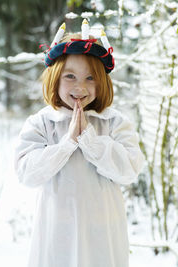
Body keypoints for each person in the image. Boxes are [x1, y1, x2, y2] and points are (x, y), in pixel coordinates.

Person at [14, 20, 144, 267]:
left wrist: (91, 141)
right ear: (55, 77)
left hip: (102, 231)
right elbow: (26, 173)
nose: (80, 87)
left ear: (102, 82)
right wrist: (67, 144)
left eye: (90, 78)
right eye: (70, 76)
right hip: (56, 232)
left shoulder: (113, 122)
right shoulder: (43, 123)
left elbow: (130, 169)